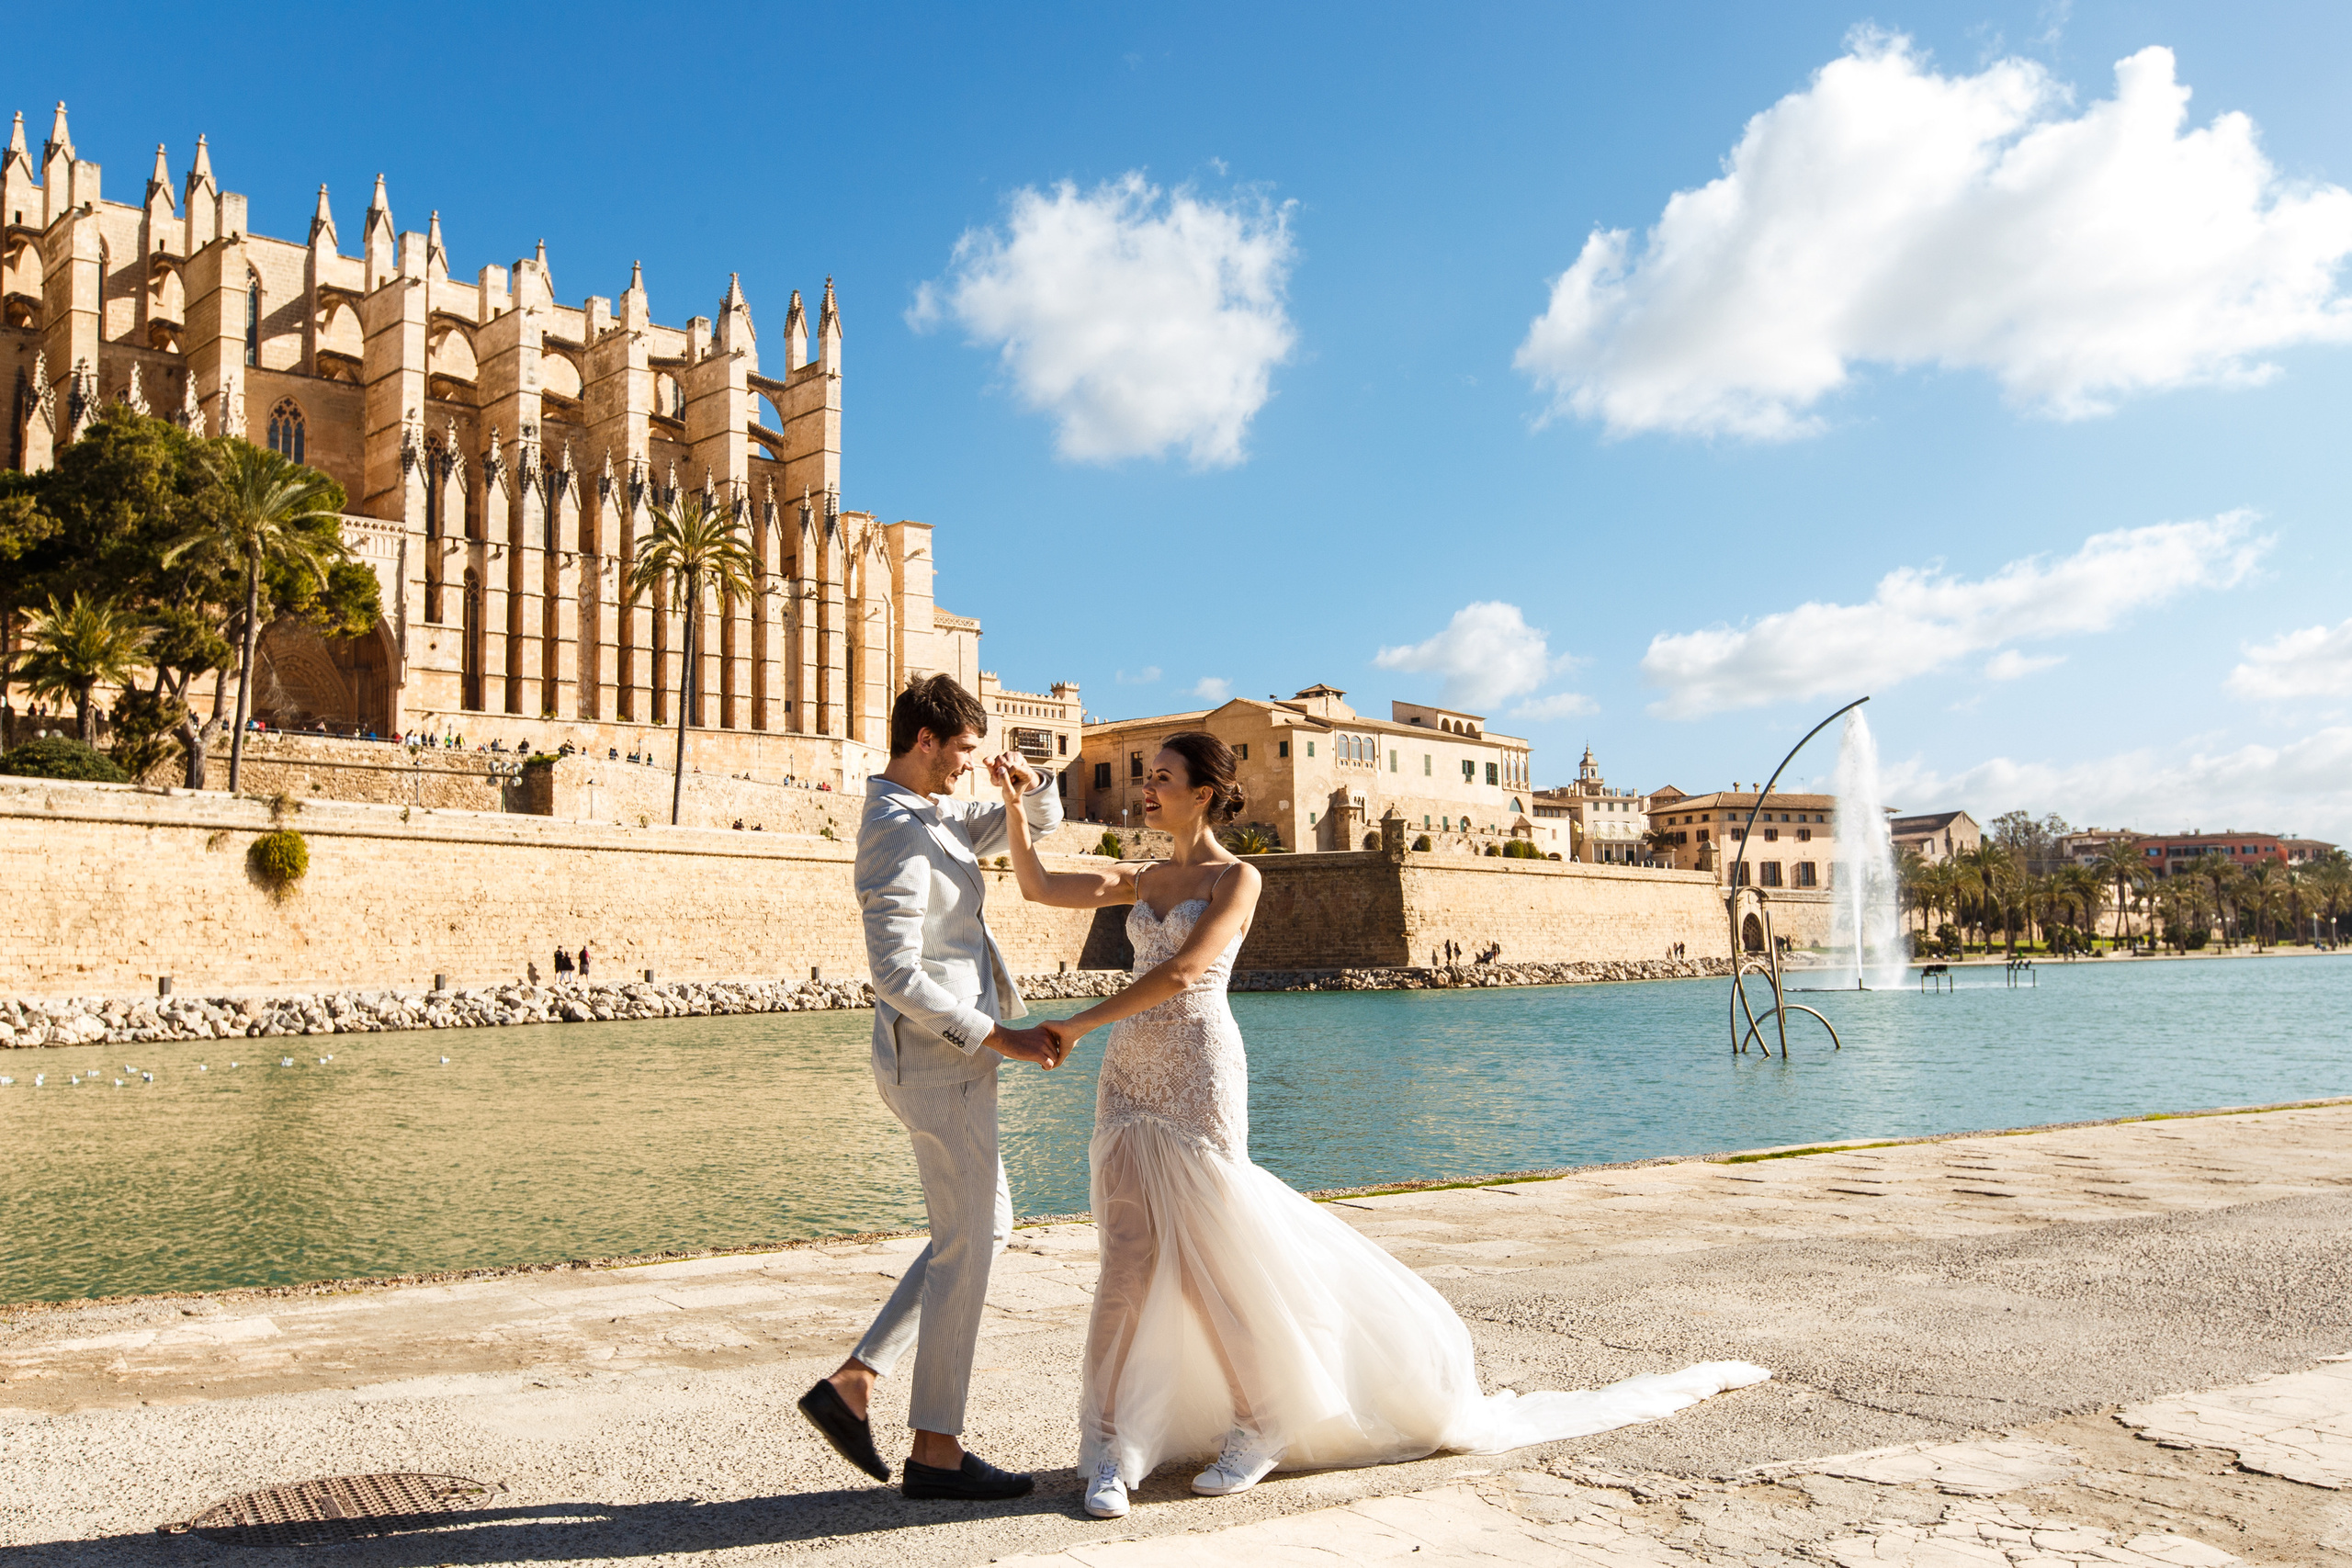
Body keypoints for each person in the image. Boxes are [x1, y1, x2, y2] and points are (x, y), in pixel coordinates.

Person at [997, 732, 1766, 1521]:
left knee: (1213, 1260)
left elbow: (1188, 969)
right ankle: (1107, 1450)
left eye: (1161, 778)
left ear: (1205, 790)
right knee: (1125, 1259)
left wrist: (1079, 1024)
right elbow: (1035, 887)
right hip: (1130, 1075)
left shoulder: (1240, 877)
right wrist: (1019, 806)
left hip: (1195, 1066)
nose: (1146, 788)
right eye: (1146, 777)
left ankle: (1260, 1422)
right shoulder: (1143, 875)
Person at [797, 674, 1065, 1503]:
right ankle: (935, 1451)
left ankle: (858, 1380)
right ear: (925, 741)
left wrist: (1033, 788)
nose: (967, 769)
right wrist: (1001, 1035)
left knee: (978, 1230)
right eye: (962, 753)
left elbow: (1030, 829)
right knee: (972, 1244)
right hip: (941, 1064)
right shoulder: (895, 829)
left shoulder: (929, 814)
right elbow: (896, 972)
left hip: (943, 1065)